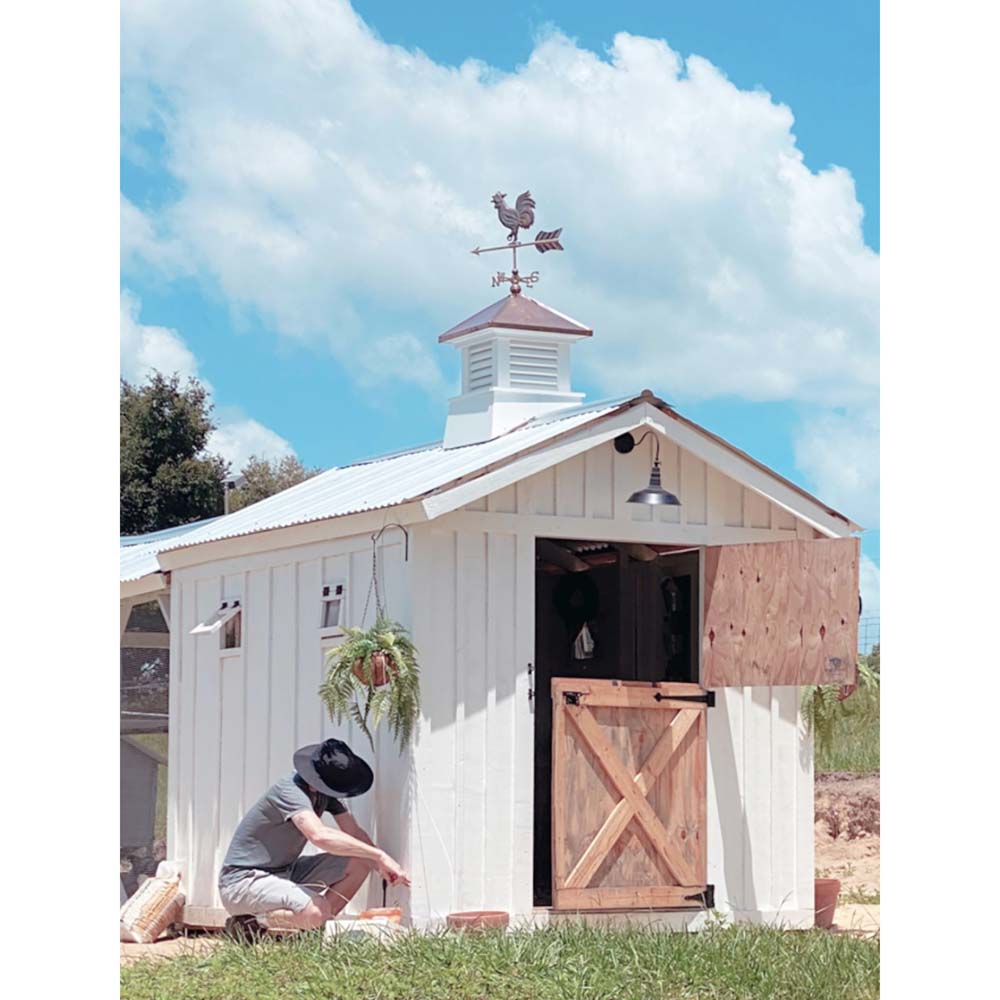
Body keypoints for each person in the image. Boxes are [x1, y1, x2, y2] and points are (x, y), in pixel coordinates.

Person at [218, 737, 410, 939]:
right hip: (242, 880)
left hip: (285, 872)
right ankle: (250, 924)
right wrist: (378, 855)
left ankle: (314, 931)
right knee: (315, 911)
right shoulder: (289, 790)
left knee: (360, 862)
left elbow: (353, 832)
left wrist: (379, 864)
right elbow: (319, 835)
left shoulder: (322, 794)